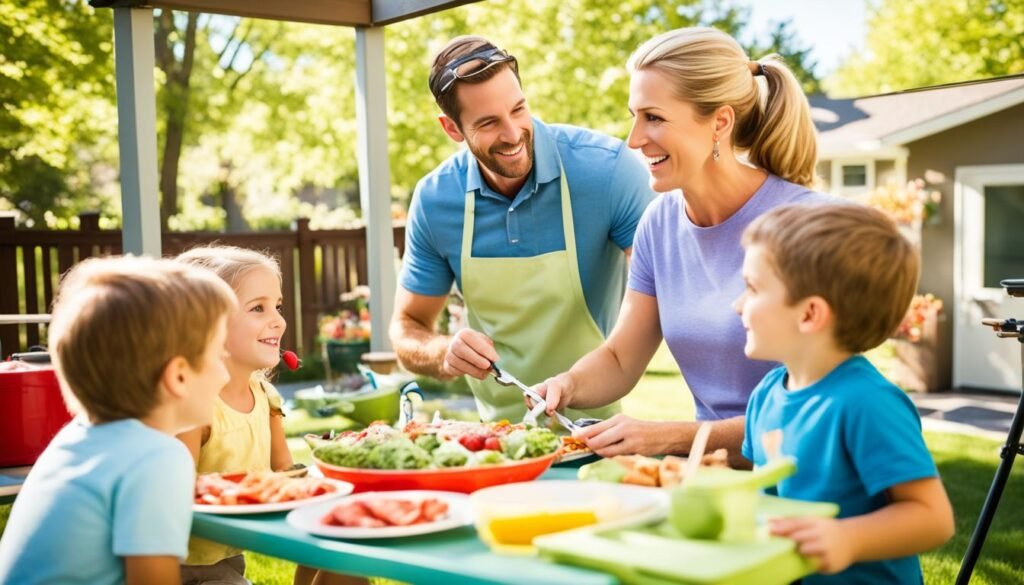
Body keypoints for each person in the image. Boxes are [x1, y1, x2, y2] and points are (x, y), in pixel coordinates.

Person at [536, 27, 830, 461]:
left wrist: (673, 437)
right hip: (707, 483)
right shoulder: (659, 222)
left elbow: (819, 410)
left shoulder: (808, 226)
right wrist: (568, 384)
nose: (634, 140)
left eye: (653, 118)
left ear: (720, 122)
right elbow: (620, 357)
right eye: (634, 116)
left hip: (804, 489)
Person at [389, 35, 656, 423]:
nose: (513, 133)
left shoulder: (607, 171)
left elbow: (666, 293)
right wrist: (443, 351)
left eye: (518, 109)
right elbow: (407, 328)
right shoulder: (435, 199)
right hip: (492, 440)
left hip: (596, 429)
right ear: (452, 129)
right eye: (488, 123)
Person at [736, 203, 954, 582]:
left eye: (752, 289)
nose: (737, 304)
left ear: (809, 314)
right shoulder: (768, 393)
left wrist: (847, 539)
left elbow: (933, 518)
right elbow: (763, 497)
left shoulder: (867, 404)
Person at [0, 257, 236, 585]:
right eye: (219, 356)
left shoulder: (76, 438)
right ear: (179, 376)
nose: (226, 373)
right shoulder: (157, 457)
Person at [175, 246, 365, 585]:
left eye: (276, 306)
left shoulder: (265, 396)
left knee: (349, 564)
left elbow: (286, 475)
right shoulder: (193, 407)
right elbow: (175, 497)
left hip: (230, 561)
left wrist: (328, 490)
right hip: (184, 571)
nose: (278, 320)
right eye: (257, 308)